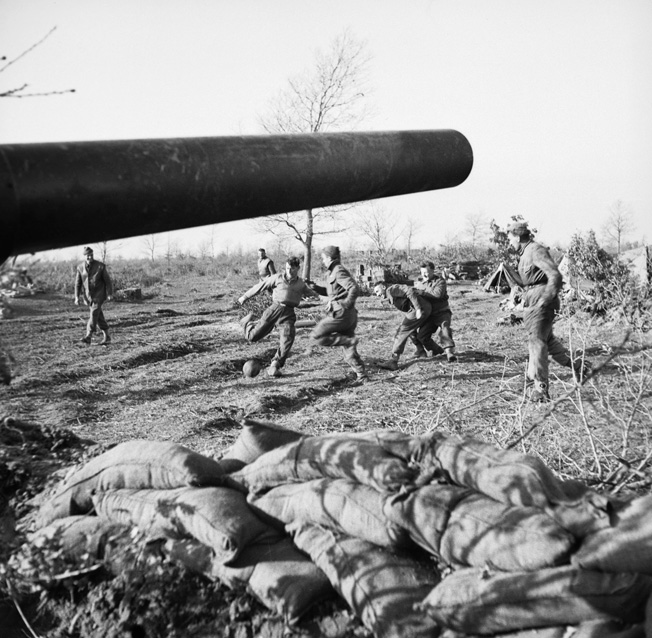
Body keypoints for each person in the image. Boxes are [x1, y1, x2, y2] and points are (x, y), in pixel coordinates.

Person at [507, 221, 588, 401]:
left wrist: (545, 298)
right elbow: (531, 280)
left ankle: (540, 387)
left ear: (518, 237)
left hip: (542, 300)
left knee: (537, 342)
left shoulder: (536, 250)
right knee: (547, 340)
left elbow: (555, 275)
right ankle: (580, 366)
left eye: (511, 238)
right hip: (533, 298)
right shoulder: (524, 253)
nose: (509, 242)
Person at [238, 257, 320, 377]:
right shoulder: (277, 278)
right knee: (253, 337)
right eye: (287, 268)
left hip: (288, 313)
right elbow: (261, 286)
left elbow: (312, 294)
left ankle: (274, 366)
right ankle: (246, 324)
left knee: (287, 340)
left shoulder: (301, 284)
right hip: (274, 309)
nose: (289, 271)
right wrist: (245, 297)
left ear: (297, 268)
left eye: (292, 269)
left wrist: (321, 296)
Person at [308, 246, 368, 382]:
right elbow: (334, 293)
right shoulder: (333, 272)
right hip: (348, 315)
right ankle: (362, 375)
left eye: (323, 258)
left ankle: (349, 341)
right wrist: (316, 288)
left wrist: (347, 303)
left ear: (329, 258)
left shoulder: (338, 271)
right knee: (349, 351)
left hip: (342, 314)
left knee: (316, 335)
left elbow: (354, 288)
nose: (323, 261)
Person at [373, 281, 443, 371]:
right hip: (423, 308)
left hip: (420, 309)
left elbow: (409, 291)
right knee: (411, 331)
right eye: (376, 293)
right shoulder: (390, 294)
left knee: (401, 332)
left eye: (377, 291)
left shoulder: (391, 289)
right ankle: (422, 351)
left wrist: (418, 309)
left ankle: (393, 361)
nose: (377, 295)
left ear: (383, 287)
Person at [413, 261, 457, 362]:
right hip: (429, 315)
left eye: (427, 272)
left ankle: (449, 353)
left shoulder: (440, 281)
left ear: (432, 271)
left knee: (444, 328)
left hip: (442, 312)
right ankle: (437, 350)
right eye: (422, 272)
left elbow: (437, 295)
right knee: (422, 336)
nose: (424, 274)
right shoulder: (420, 284)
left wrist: (421, 293)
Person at [74, 246, 113, 345]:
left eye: (91, 255)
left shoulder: (100, 266)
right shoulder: (80, 267)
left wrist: (109, 293)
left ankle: (88, 336)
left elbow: (107, 281)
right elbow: (78, 284)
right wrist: (77, 297)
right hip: (88, 296)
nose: (90, 257)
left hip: (99, 294)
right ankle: (107, 336)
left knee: (94, 313)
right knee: (98, 315)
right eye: (88, 256)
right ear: (84, 256)